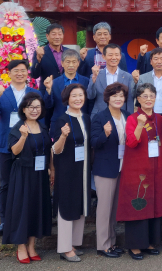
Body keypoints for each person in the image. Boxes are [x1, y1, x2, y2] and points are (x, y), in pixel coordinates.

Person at [0, 59, 45, 237]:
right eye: (16, 71)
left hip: (29, 144)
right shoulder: (1, 92)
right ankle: (5, 221)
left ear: (27, 73)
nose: (20, 73)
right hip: (6, 144)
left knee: (29, 182)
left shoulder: (34, 92)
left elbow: (41, 117)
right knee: (5, 184)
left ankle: (27, 219)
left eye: (23, 70)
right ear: (9, 73)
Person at [116, 84, 162, 260]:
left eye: (151, 96)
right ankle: (134, 246)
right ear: (138, 99)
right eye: (144, 96)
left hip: (156, 169)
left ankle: (148, 243)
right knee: (137, 205)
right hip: (136, 170)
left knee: (153, 204)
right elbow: (131, 142)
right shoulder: (132, 118)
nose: (148, 99)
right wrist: (140, 124)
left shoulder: (160, 120)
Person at [3, 92, 52, 262]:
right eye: (31, 107)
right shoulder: (18, 128)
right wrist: (24, 136)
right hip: (23, 174)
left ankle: (32, 246)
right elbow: (14, 151)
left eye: (37, 107)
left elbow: (48, 151)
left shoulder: (43, 127)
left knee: (37, 208)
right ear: (24, 109)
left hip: (40, 175)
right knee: (22, 210)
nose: (34, 110)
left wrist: (51, 169)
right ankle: (21, 246)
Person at [51, 84, 91, 262]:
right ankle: (64, 248)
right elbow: (55, 150)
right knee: (66, 205)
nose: (78, 99)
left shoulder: (86, 118)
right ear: (67, 98)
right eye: (74, 96)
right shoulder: (60, 120)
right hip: (66, 169)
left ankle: (74, 243)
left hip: (82, 169)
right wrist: (63, 136)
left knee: (79, 204)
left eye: (81, 95)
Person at [91, 83, 130, 258]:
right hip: (105, 168)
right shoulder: (100, 117)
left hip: (122, 167)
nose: (118, 99)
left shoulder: (127, 116)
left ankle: (112, 243)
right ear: (107, 98)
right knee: (104, 209)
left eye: (121, 96)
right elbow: (94, 143)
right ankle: (103, 245)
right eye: (114, 96)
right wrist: (105, 134)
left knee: (114, 209)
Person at [46, 49, 90, 134]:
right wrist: (48, 91)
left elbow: (89, 104)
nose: (71, 65)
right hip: (59, 123)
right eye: (68, 62)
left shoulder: (86, 81)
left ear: (78, 63)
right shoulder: (54, 83)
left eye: (74, 62)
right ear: (62, 63)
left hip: (81, 121)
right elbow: (48, 105)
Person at [87, 44, 136, 119]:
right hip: (100, 116)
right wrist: (93, 81)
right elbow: (90, 96)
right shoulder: (96, 75)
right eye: (110, 55)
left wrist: (130, 117)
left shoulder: (127, 77)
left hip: (121, 116)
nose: (114, 58)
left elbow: (130, 99)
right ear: (103, 56)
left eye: (116, 55)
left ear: (120, 56)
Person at [134, 48, 162, 117]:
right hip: (148, 114)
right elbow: (137, 96)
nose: (159, 62)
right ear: (151, 61)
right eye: (156, 59)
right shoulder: (143, 78)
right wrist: (135, 81)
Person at [31, 23, 68, 93]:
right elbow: (34, 75)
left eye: (60, 34)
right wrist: (38, 60)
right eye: (54, 34)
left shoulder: (69, 52)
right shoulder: (40, 52)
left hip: (66, 92)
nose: (57, 37)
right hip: (47, 91)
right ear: (47, 36)